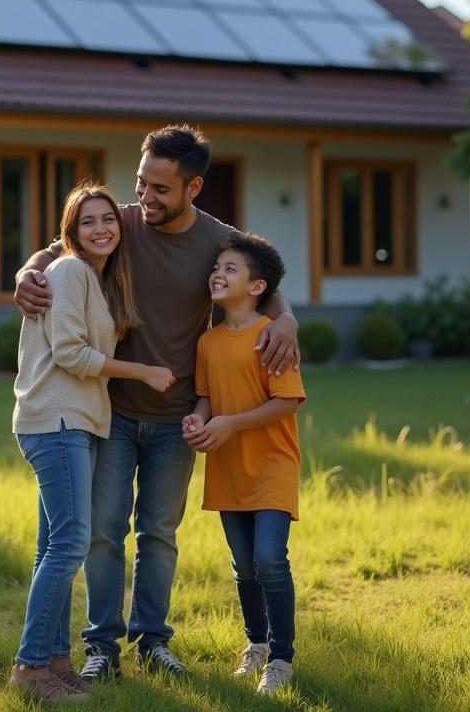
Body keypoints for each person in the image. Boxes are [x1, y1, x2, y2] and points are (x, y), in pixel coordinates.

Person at [14, 125, 300, 682]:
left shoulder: (217, 240)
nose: (145, 198)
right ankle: (102, 646)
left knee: (159, 535)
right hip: (110, 410)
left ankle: (152, 640)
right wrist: (26, 271)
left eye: (160, 189)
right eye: (141, 183)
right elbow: (57, 250)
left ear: (193, 188)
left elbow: (263, 275)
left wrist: (285, 317)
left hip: (178, 418)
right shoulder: (118, 222)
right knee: (101, 531)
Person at [10, 183, 175, 704]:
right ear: (71, 232)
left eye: (108, 219)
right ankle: (31, 667)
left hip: (72, 421)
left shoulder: (97, 279)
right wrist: (144, 371)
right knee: (70, 544)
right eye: (87, 221)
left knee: (52, 547)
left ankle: (57, 660)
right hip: (56, 421)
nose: (101, 227)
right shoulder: (70, 271)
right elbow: (71, 355)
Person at [182, 231, 306, 696]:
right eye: (217, 267)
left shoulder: (272, 337)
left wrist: (231, 423)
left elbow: (287, 402)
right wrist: (197, 422)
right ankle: (255, 644)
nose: (217, 273)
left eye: (230, 269)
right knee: (244, 566)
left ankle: (281, 658)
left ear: (257, 287)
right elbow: (206, 398)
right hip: (228, 466)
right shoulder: (208, 343)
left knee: (270, 560)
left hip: (273, 463)